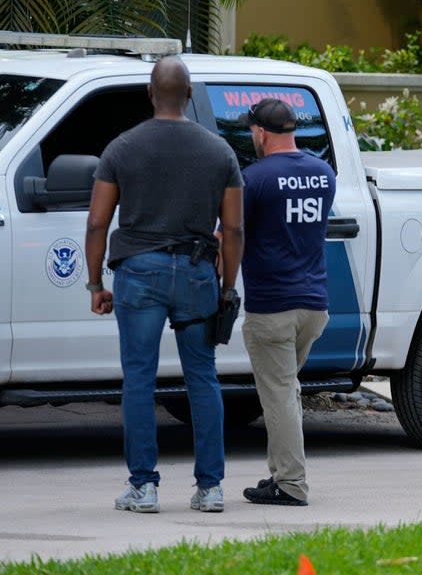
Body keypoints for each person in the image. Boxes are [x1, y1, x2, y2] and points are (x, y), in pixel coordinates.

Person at [85, 57, 244, 514]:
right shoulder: (219, 152)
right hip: (197, 275)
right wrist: (227, 286)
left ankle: (143, 487)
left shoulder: (122, 148)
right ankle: (211, 488)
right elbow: (233, 230)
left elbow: (98, 223)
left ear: (151, 94)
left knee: (139, 378)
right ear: (189, 96)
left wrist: (96, 282)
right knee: (202, 377)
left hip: (139, 274)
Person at [237, 98, 335, 505]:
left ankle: (291, 484)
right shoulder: (323, 172)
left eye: (251, 132)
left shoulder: (255, 178)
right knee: (286, 389)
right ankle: (279, 475)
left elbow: (234, 234)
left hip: (272, 305)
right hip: (313, 304)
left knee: (277, 393)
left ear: (260, 132)